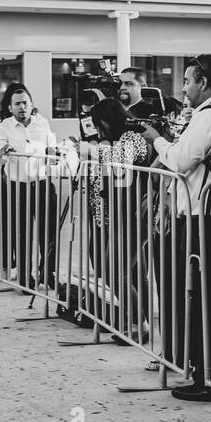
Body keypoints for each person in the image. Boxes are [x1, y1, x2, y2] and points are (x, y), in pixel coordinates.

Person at [140, 55, 211, 402]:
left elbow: (182, 161)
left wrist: (157, 140)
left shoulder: (209, 118)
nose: (183, 88)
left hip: (207, 220)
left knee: (205, 300)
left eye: (187, 81)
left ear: (204, 83)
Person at [78, 98, 153, 341]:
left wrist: (90, 149)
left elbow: (121, 158)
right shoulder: (115, 139)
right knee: (129, 270)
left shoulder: (133, 137)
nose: (97, 129)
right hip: (119, 213)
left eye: (99, 123)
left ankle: (137, 321)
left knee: (113, 271)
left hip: (132, 213)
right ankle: (137, 321)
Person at [0, 84, 68, 290]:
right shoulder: (3, 127)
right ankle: (25, 276)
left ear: (31, 104)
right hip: (18, 187)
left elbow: (53, 149)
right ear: (10, 107)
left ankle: (48, 273)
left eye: (25, 102)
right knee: (21, 233)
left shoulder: (42, 123)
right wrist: (4, 151)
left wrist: (53, 152)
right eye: (17, 104)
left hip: (43, 184)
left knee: (49, 232)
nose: (22, 107)